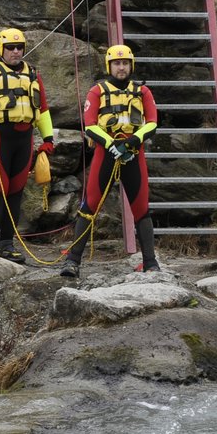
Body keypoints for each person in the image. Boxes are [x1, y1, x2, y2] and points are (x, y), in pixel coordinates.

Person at [59, 44, 160, 278]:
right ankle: (72, 261)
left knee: (141, 209)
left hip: (133, 154)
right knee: (89, 206)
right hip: (106, 153)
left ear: (131, 65)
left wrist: (133, 141)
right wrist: (112, 144)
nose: (121, 67)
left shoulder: (142, 91)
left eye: (125, 63)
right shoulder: (97, 91)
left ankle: (151, 262)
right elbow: (90, 124)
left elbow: (153, 122)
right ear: (109, 66)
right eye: (117, 63)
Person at [0, 28, 55, 261]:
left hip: (24, 140)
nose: (16, 51)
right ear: (0, 48)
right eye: (10, 47)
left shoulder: (33, 73)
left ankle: (8, 244)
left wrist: (48, 140)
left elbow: (43, 109)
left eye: (19, 47)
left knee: (16, 193)